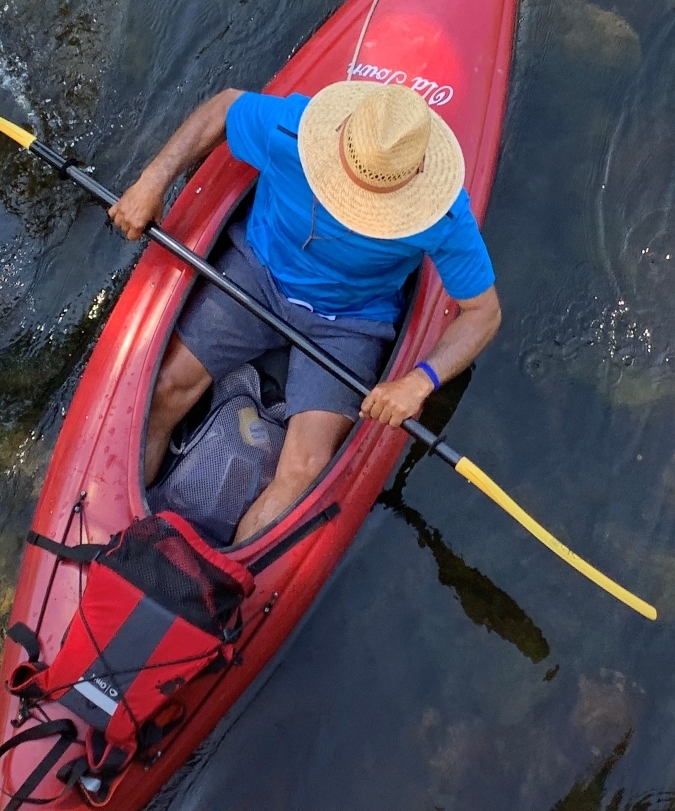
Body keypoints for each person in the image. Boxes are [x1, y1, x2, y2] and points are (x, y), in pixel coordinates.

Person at [109, 80, 502, 542]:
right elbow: (222, 107)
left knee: (304, 469)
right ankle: (122, 533)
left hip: (350, 324)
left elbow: (483, 313)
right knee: (164, 391)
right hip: (256, 275)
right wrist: (152, 182)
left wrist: (420, 381)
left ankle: (214, 577)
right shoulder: (292, 130)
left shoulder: (445, 215)